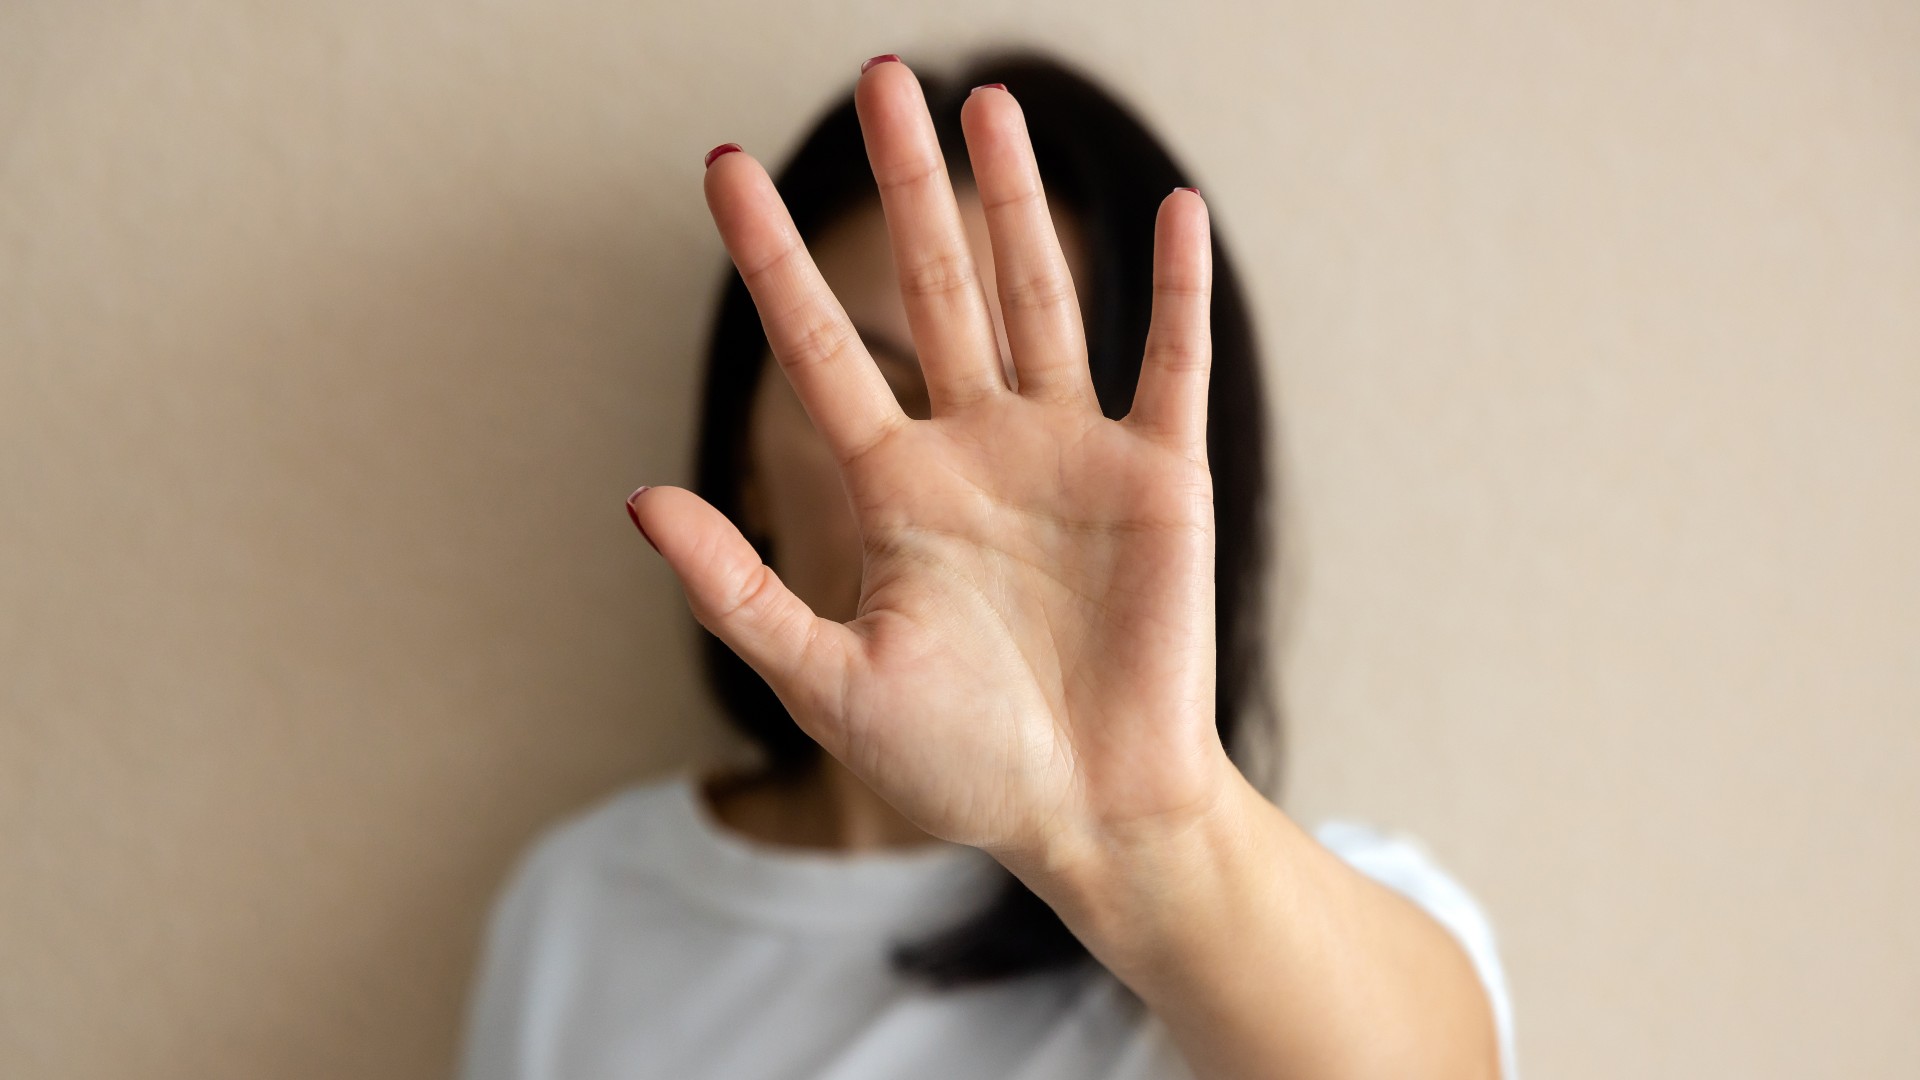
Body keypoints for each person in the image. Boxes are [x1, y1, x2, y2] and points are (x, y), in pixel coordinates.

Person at [457, 51, 1518, 1080]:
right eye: (874, 391)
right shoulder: (580, 906)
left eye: (1034, 436)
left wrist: (1145, 838)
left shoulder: (1263, 941)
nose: (941, 493)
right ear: (745, 458)